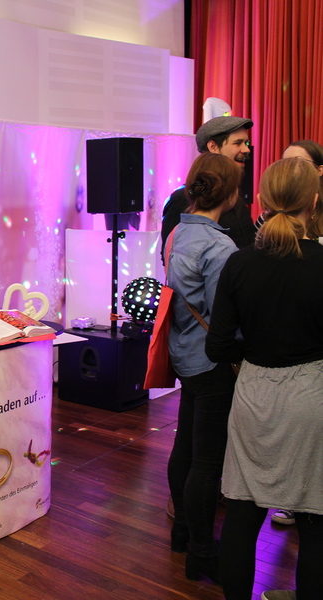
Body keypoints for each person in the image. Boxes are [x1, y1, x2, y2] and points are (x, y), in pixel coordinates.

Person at [206, 157, 323, 600]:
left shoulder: (240, 264)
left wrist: (251, 354)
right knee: (315, 523)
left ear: (261, 200)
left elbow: (217, 346)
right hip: (312, 398)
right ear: (314, 201)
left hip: (254, 394)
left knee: (241, 517)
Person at [164, 153, 242, 584]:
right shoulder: (220, 247)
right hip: (211, 361)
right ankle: (201, 552)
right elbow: (224, 318)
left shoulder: (179, 232)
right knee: (207, 461)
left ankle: (181, 533)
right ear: (230, 194)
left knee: (185, 446)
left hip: (184, 354)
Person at [258, 140, 323, 529]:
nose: (292, 170)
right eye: (286, 163)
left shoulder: (243, 260)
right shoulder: (258, 248)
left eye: (300, 164)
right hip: (295, 372)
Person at [161, 116, 257, 258]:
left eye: (246, 143)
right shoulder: (183, 198)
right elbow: (171, 255)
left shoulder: (236, 193)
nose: (246, 149)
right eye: (238, 143)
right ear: (213, 147)